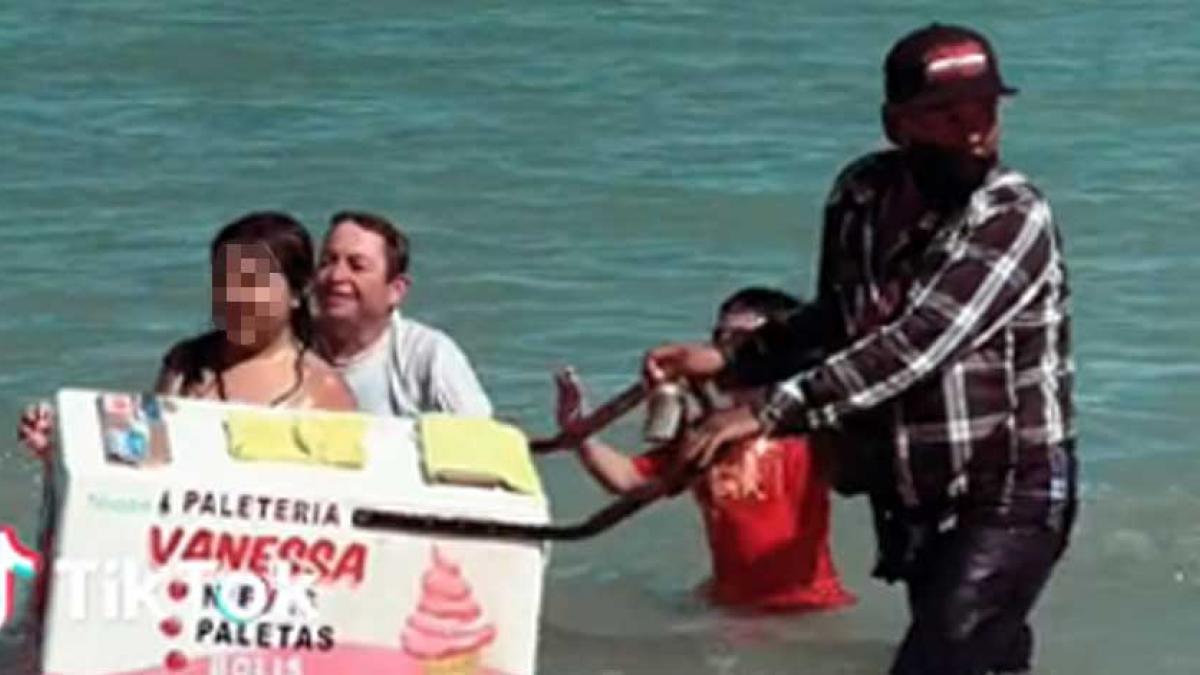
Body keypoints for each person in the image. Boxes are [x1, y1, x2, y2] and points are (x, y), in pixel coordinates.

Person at [644, 24, 1077, 675]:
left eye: (986, 109)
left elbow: (915, 346)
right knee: (988, 658)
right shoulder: (860, 196)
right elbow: (838, 318)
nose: (975, 130)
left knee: (936, 660)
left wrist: (766, 408)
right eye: (947, 114)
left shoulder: (1012, 216)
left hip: (1009, 489)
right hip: (913, 492)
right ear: (895, 123)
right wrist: (735, 362)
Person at [556, 288, 855, 613]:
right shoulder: (708, 435)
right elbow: (628, 480)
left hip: (808, 604)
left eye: (741, 341)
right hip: (729, 604)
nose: (724, 352)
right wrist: (580, 432)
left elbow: (853, 396)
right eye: (719, 338)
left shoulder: (809, 429)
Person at [18, 211, 356, 454]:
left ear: (298, 292)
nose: (234, 296)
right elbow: (146, 460)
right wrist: (59, 447)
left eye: (252, 283)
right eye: (224, 280)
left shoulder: (323, 392)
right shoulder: (188, 364)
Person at [313, 210, 492, 418]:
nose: (336, 276)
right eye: (327, 262)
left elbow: (478, 435)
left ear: (395, 290)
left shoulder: (427, 355)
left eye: (357, 266)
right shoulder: (288, 348)